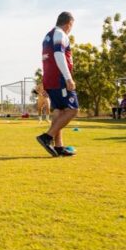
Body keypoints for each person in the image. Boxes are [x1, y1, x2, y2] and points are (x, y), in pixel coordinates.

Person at [36, 12, 78, 157]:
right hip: (59, 79)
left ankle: (59, 146)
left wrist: (44, 80)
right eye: (72, 26)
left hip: (50, 78)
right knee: (72, 110)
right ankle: (47, 137)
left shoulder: (48, 36)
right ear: (68, 24)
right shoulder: (60, 34)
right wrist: (68, 78)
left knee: (60, 110)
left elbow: (46, 60)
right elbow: (58, 55)